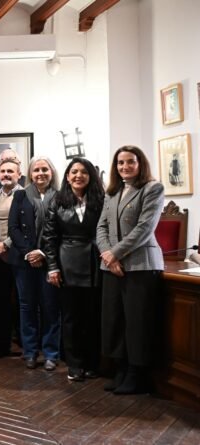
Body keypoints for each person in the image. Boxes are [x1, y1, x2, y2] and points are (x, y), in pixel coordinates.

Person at [97, 146, 164, 395]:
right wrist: (108, 255)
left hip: (140, 264)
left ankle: (137, 374)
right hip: (111, 265)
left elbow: (145, 228)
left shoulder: (152, 188)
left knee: (137, 322)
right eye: (120, 163)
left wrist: (114, 253)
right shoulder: (112, 192)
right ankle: (121, 369)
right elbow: (101, 227)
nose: (125, 166)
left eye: (130, 162)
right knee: (114, 320)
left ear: (140, 163)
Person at [43, 158, 104, 382]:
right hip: (66, 261)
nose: (79, 176)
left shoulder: (101, 199)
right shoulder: (57, 200)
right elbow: (49, 237)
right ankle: (74, 364)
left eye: (84, 172)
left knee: (92, 316)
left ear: (91, 176)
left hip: (95, 261)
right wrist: (52, 268)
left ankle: (92, 363)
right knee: (70, 318)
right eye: (74, 172)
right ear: (67, 177)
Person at [8, 157, 60, 371]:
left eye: (44, 169)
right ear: (30, 174)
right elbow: (13, 228)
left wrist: (43, 253)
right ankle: (29, 351)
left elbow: (62, 230)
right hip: (24, 261)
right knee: (27, 307)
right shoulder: (20, 195)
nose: (40, 173)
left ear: (51, 172)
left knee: (50, 307)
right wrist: (30, 252)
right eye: (36, 170)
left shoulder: (60, 196)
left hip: (50, 261)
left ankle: (51, 353)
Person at [0, 159, 23, 357]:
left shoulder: (25, 194)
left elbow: (25, 226)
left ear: (19, 174)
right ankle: (3, 342)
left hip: (18, 254)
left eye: (10, 171)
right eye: (3, 171)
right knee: (0, 301)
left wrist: (6, 243)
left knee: (21, 300)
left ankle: (24, 342)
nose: (6, 174)